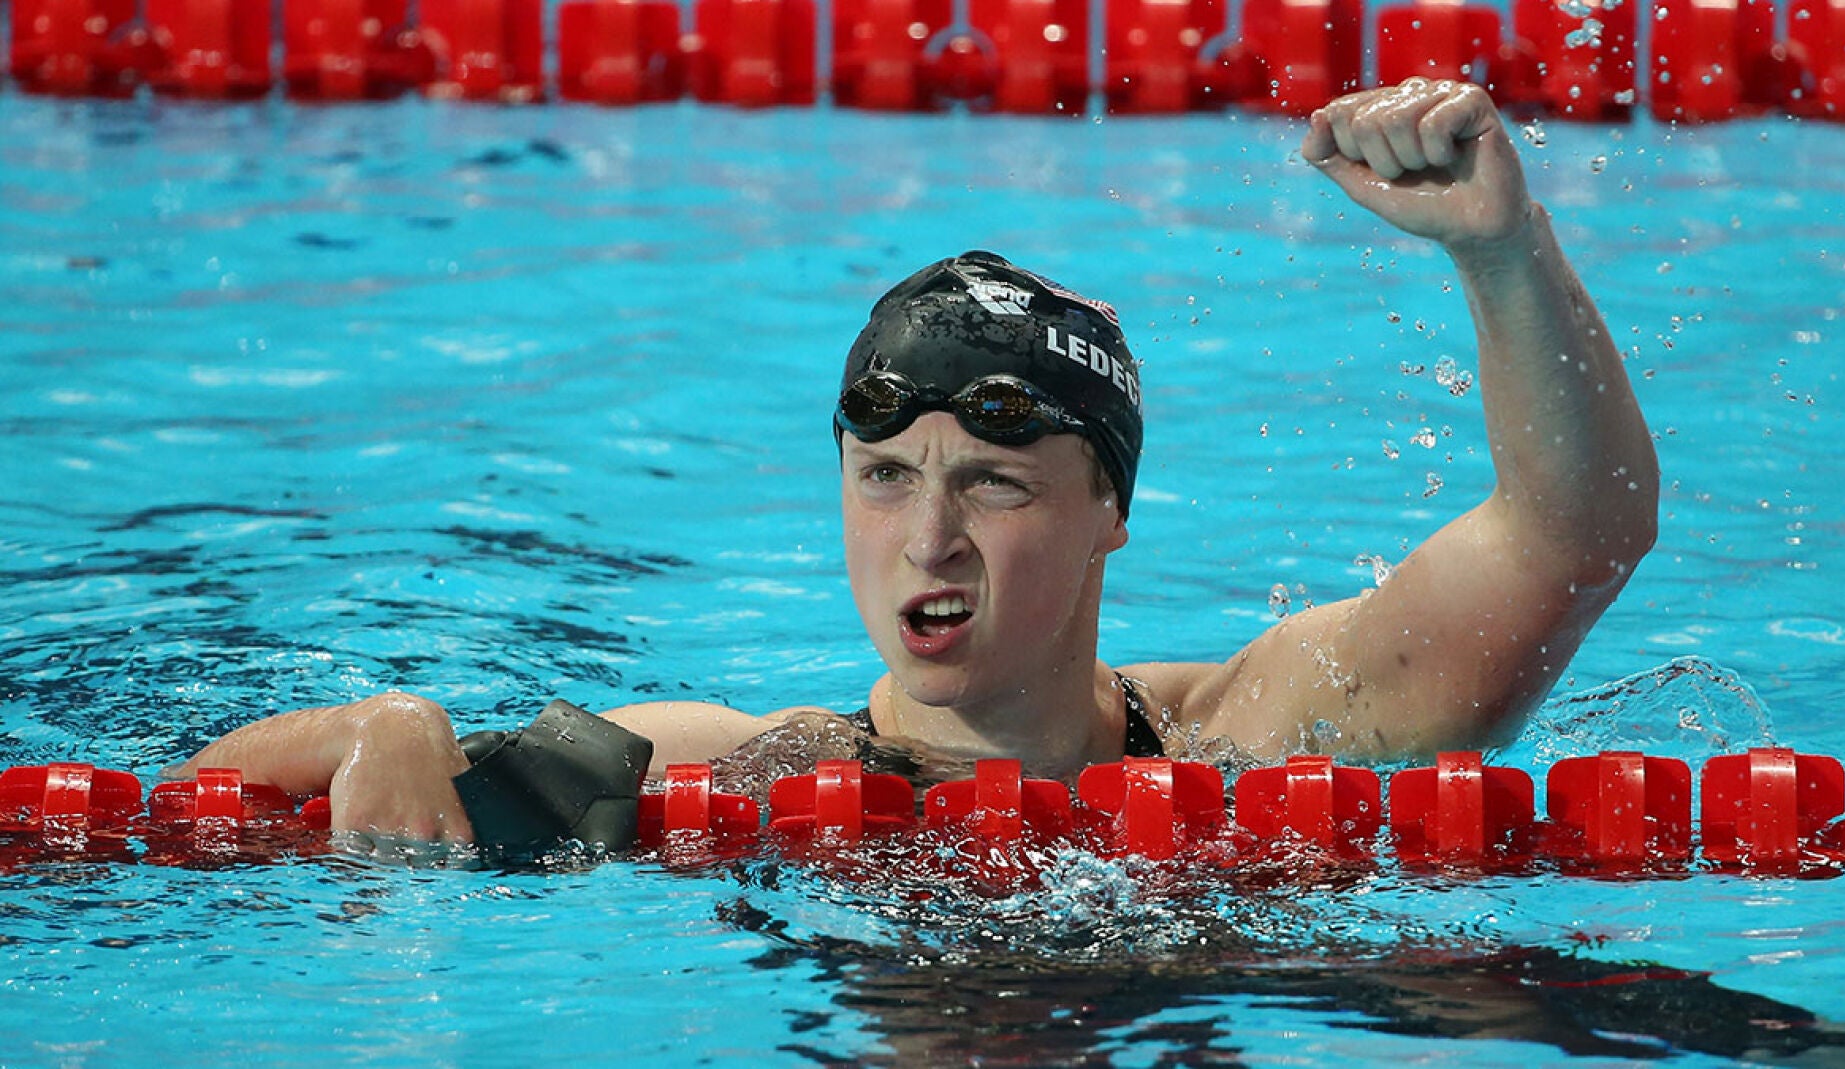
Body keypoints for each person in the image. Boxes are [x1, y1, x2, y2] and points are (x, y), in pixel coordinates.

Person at [181, 79, 1659, 844]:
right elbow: (184, 808)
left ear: (1111, 513)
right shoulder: (742, 768)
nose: (927, 538)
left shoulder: (1262, 732)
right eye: (885, 473)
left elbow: (1572, 536)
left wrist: (1505, 255)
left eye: (994, 482)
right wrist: (383, 727)